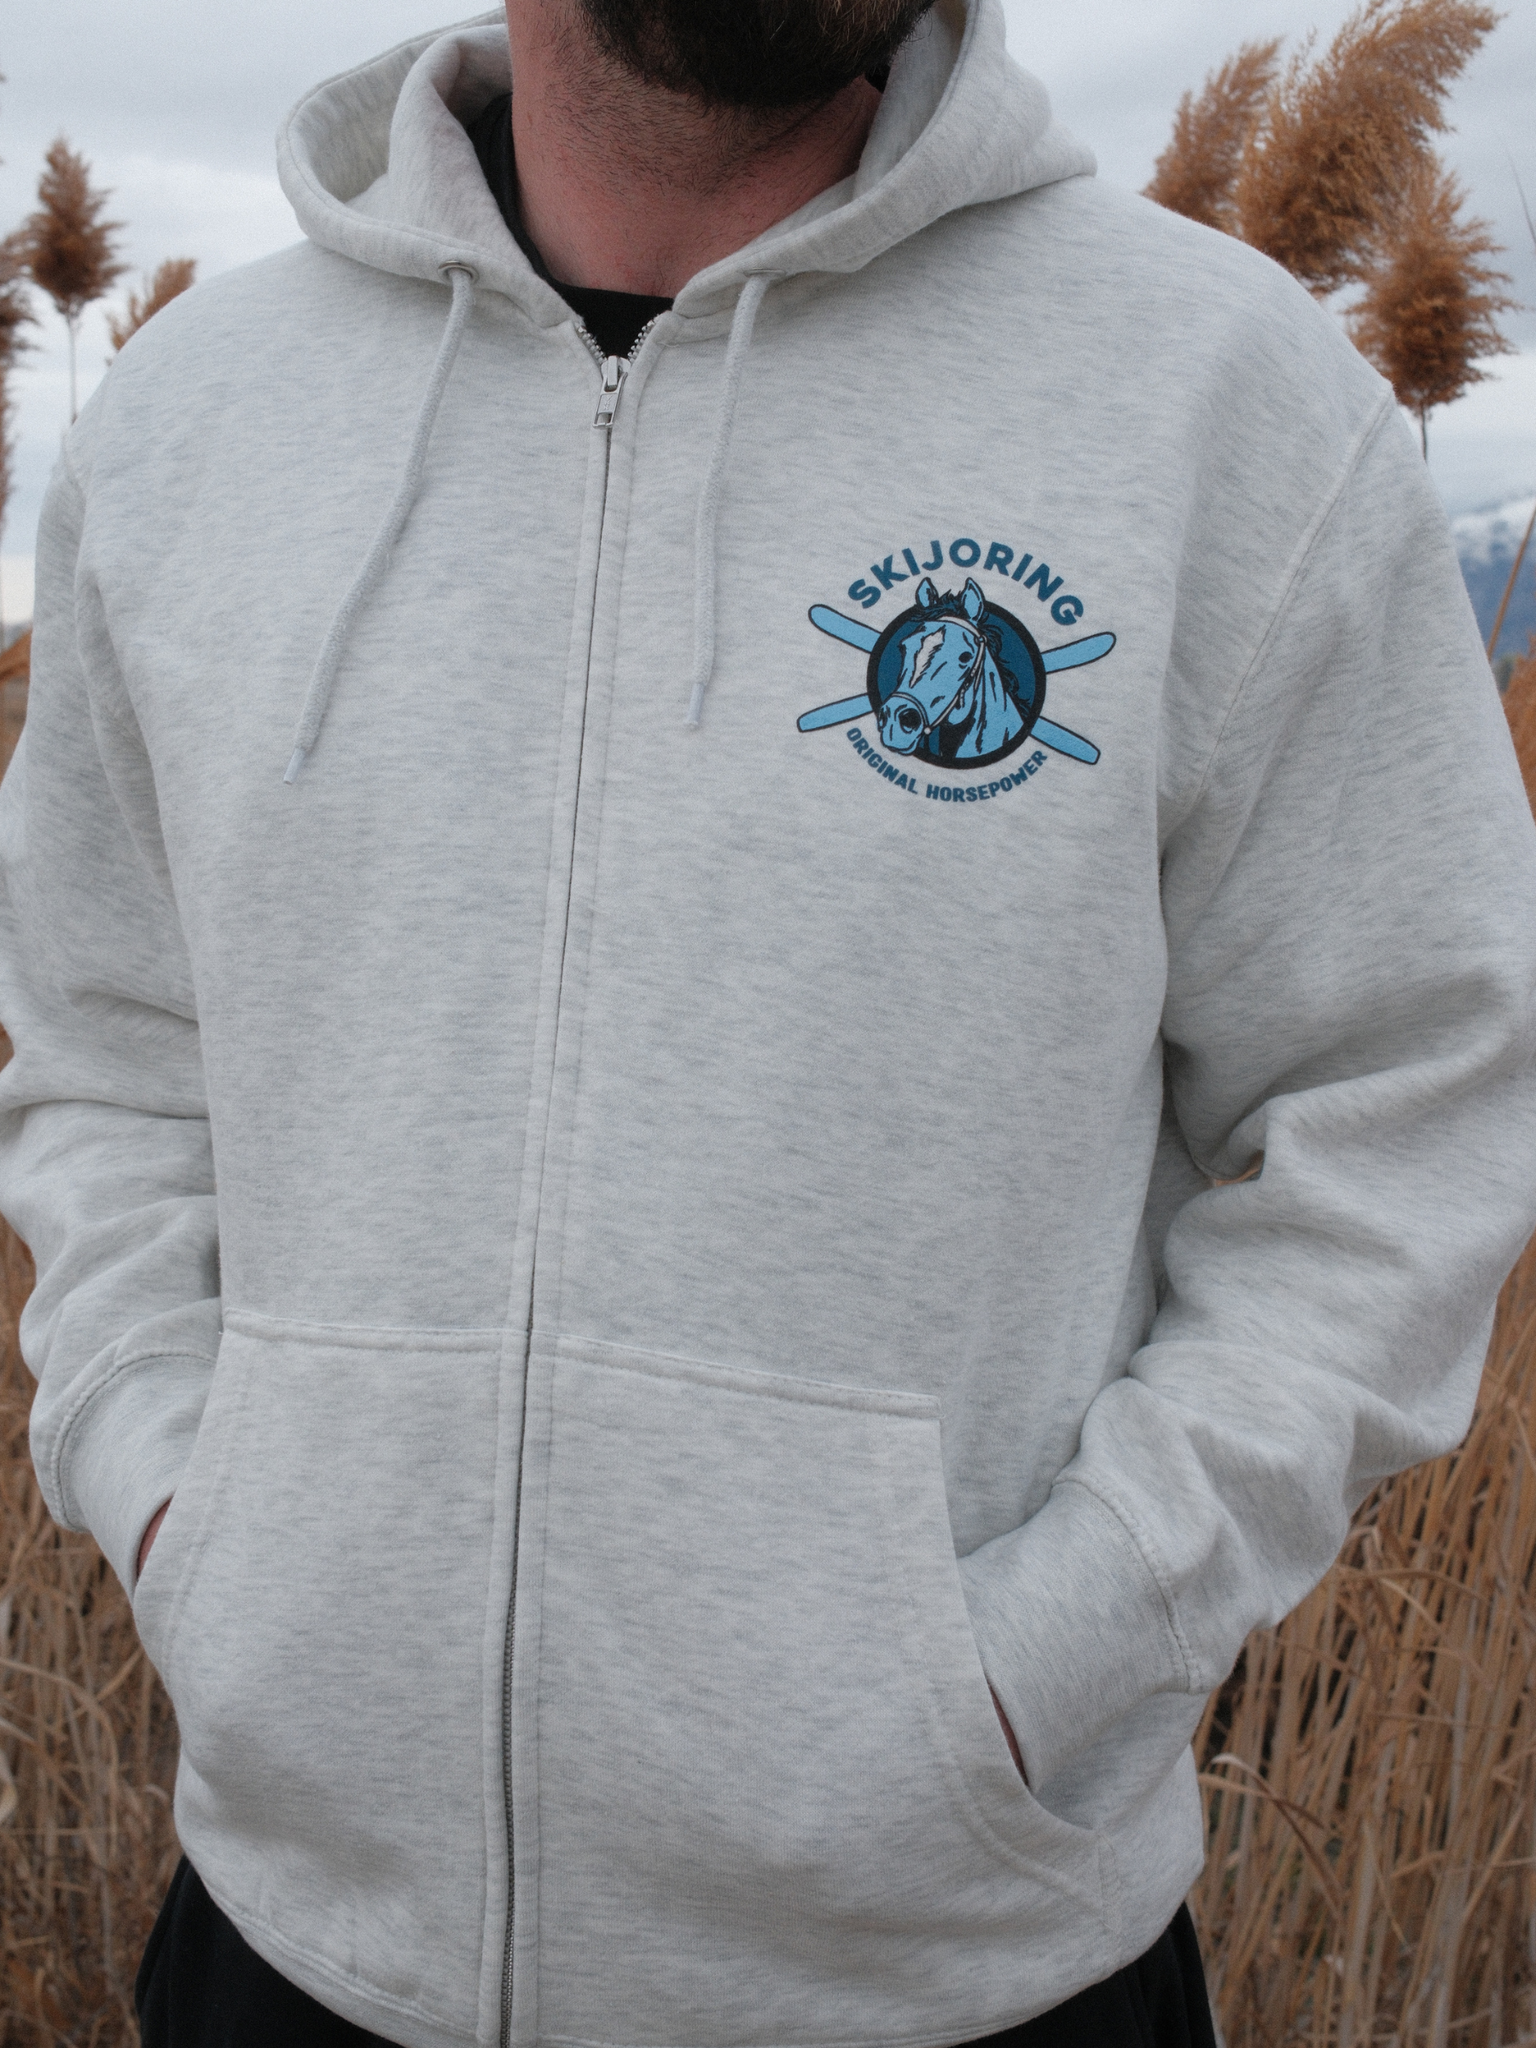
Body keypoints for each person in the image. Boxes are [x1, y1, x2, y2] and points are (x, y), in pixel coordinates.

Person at [2, 0, 1534, 2041]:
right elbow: (104, 1052)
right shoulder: (193, 423)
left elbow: (1409, 1100)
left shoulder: (1221, 402)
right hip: (298, 1939)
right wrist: (185, 1508)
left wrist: (1035, 1662)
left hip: (959, 1969)